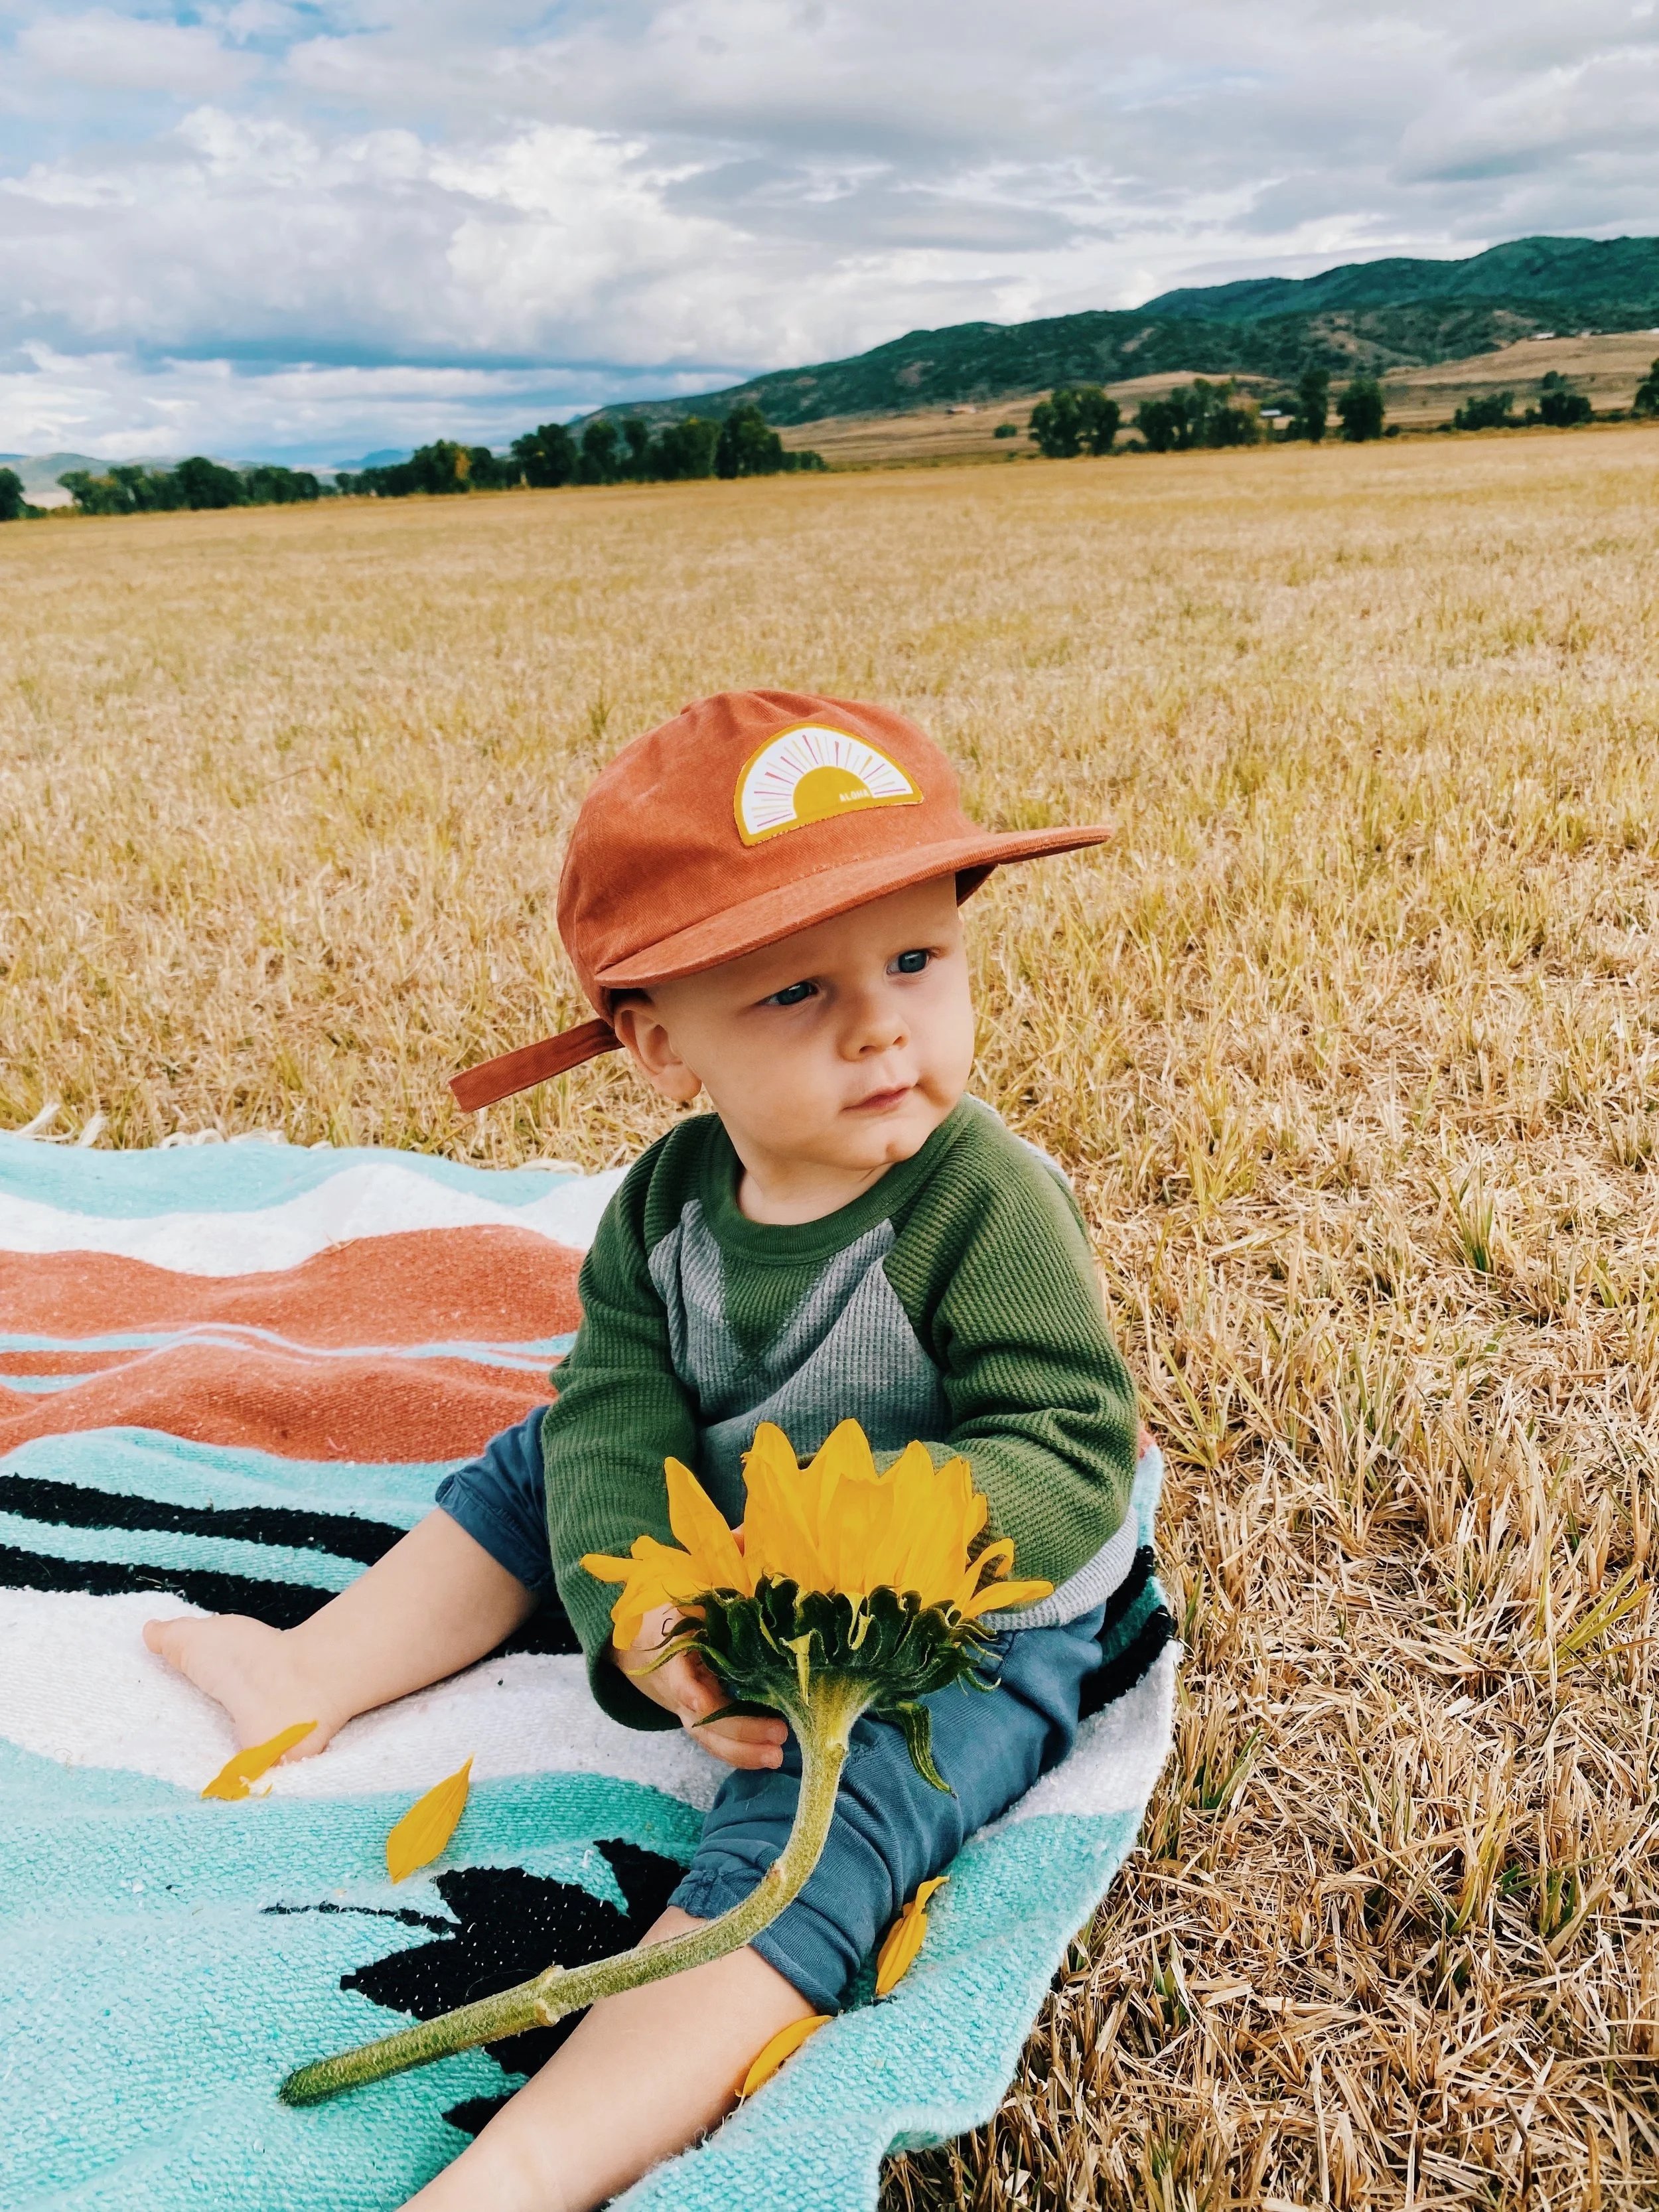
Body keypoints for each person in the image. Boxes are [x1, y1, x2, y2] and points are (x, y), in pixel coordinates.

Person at [144, 689, 1151, 2210]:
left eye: (913, 959)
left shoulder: (983, 1203)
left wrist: (826, 1591)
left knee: (824, 1833)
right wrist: (648, 1613)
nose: (882, 1023)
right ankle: (313, 1668)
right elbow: (619, 1415)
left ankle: (533, 2158)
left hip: (962, 1619)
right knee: (549, 1453)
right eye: (795, 994)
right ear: (655, 1043)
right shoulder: (664, 1208)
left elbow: (1068, 1450)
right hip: (744, 1548)